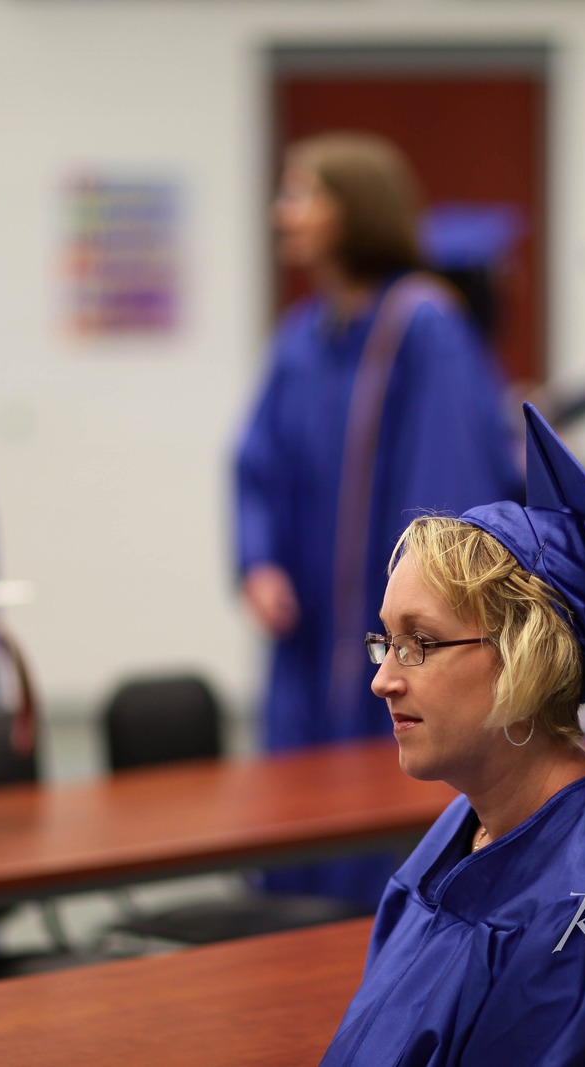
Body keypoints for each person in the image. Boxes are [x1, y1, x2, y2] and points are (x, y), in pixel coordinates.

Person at [322, 404, 585, 1066]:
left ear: (529, 656)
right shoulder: (462, 830)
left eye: (421, 643)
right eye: (387, 643)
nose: (384, 681)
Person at [234, 132, 520, 905]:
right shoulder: (303, 335)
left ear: (354, 210)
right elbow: (253, 463)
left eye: (302, 193)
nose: (282, 212)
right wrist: (256, 560)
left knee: (392, 833)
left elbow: (449, 502)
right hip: (308, 635)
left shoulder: (423, 329)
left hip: (388, 630)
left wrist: (418, 624)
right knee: (296, 832)